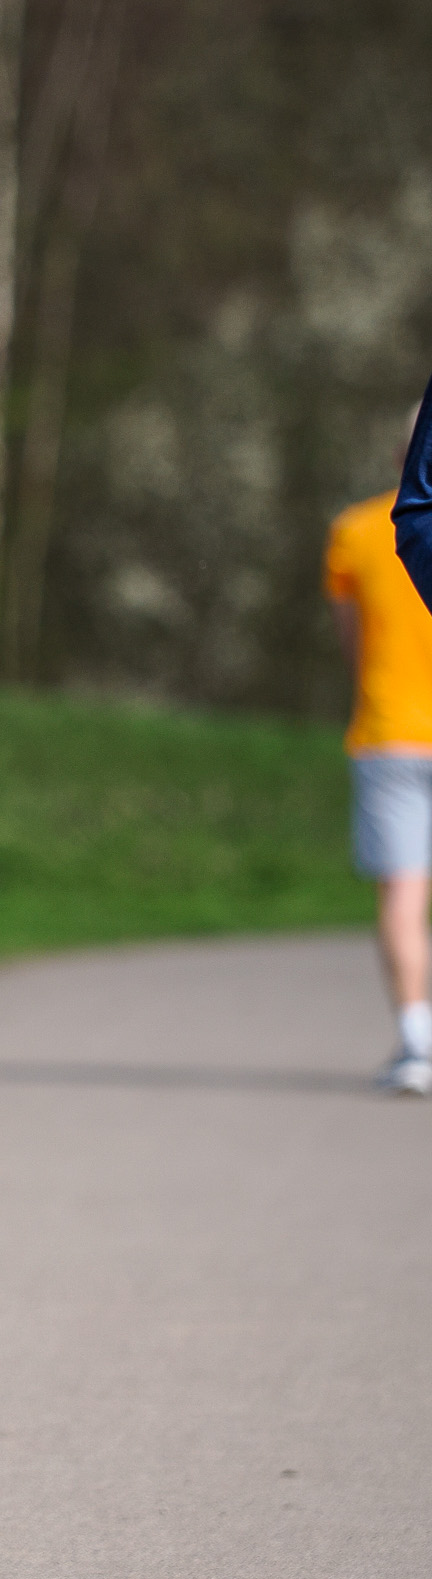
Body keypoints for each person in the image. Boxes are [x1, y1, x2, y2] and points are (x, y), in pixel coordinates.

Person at [325, 423, 432, 1093]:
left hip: (390, 731)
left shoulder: (358, 531)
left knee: (403, 895)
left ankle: (418, 1042)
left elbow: (353, 643)